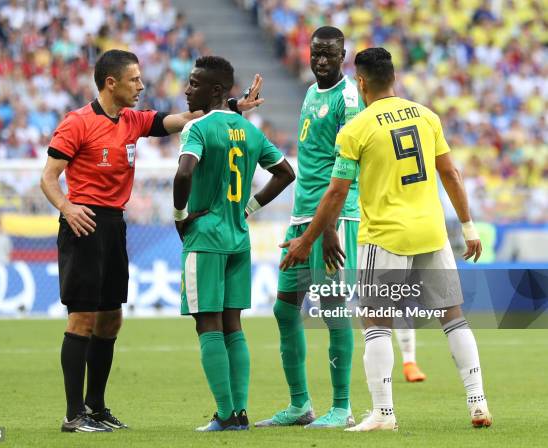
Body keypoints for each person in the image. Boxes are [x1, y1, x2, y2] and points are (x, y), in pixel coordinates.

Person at [40, 49, 263, 433]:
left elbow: (188, 118)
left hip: (114, 225)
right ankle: (72, 414)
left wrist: (230, 105)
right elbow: (48, 176)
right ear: (111, 83)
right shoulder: (76, 123)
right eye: (135, 80)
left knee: (110, 320)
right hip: (83, 224)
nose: (142, 86)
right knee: (82, 318)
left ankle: (96, 407)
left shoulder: (132, 121)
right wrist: (66, 207)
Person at [281, 47, 492, 431]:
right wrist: (469, 226)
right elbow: (452, 174)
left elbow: (335, 194)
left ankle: (383, 413)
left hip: (386, 237)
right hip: (432, 232)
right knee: (453, 317)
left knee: (375, 321)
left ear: (360, 81)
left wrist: (307, 240)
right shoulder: (426, 116)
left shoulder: (357, 128)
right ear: (393, 78)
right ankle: (477, 402)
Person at [174, 56, 295, 431]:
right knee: (233, 325)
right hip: (239, 239)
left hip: (206, 237)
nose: (186, 89)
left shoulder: (197, 129)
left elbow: (184, 172)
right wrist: (248, 209)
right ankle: (240, 412)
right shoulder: (249, 130)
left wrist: (180, 218)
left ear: (213, 90)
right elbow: (285, 173)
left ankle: (226, 414)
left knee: (206, 323)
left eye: (194, 83)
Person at [255, 26, 364, 429]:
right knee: (285, 309)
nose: (320, 60)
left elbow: (347, 166)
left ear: (343, 56)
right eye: (315, 53)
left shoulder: (348, 99)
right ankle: (300, 405)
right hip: (302, 217)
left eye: (328, 54)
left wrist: (330, 226)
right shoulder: (310, 90)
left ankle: (342, 407)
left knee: (334, 310)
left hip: (334, 219)